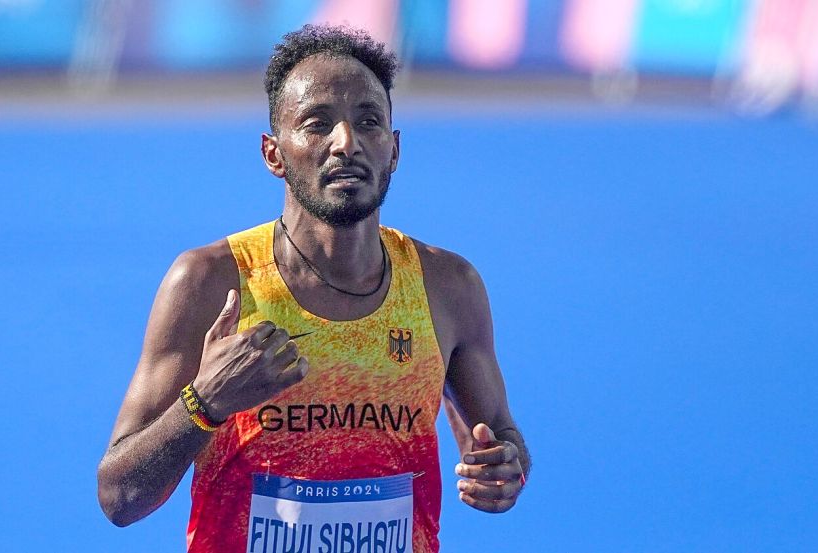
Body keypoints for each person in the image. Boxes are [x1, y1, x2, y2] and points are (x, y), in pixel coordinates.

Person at [97, 24, 530, 553]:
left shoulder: (447, 286)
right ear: (273, 153)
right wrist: (205, 403)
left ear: (393, 150)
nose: (345, 143)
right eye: (316, 123)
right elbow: (119, 497)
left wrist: (502, 468)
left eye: (368, 122)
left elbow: (501, 438)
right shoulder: (211, 282)